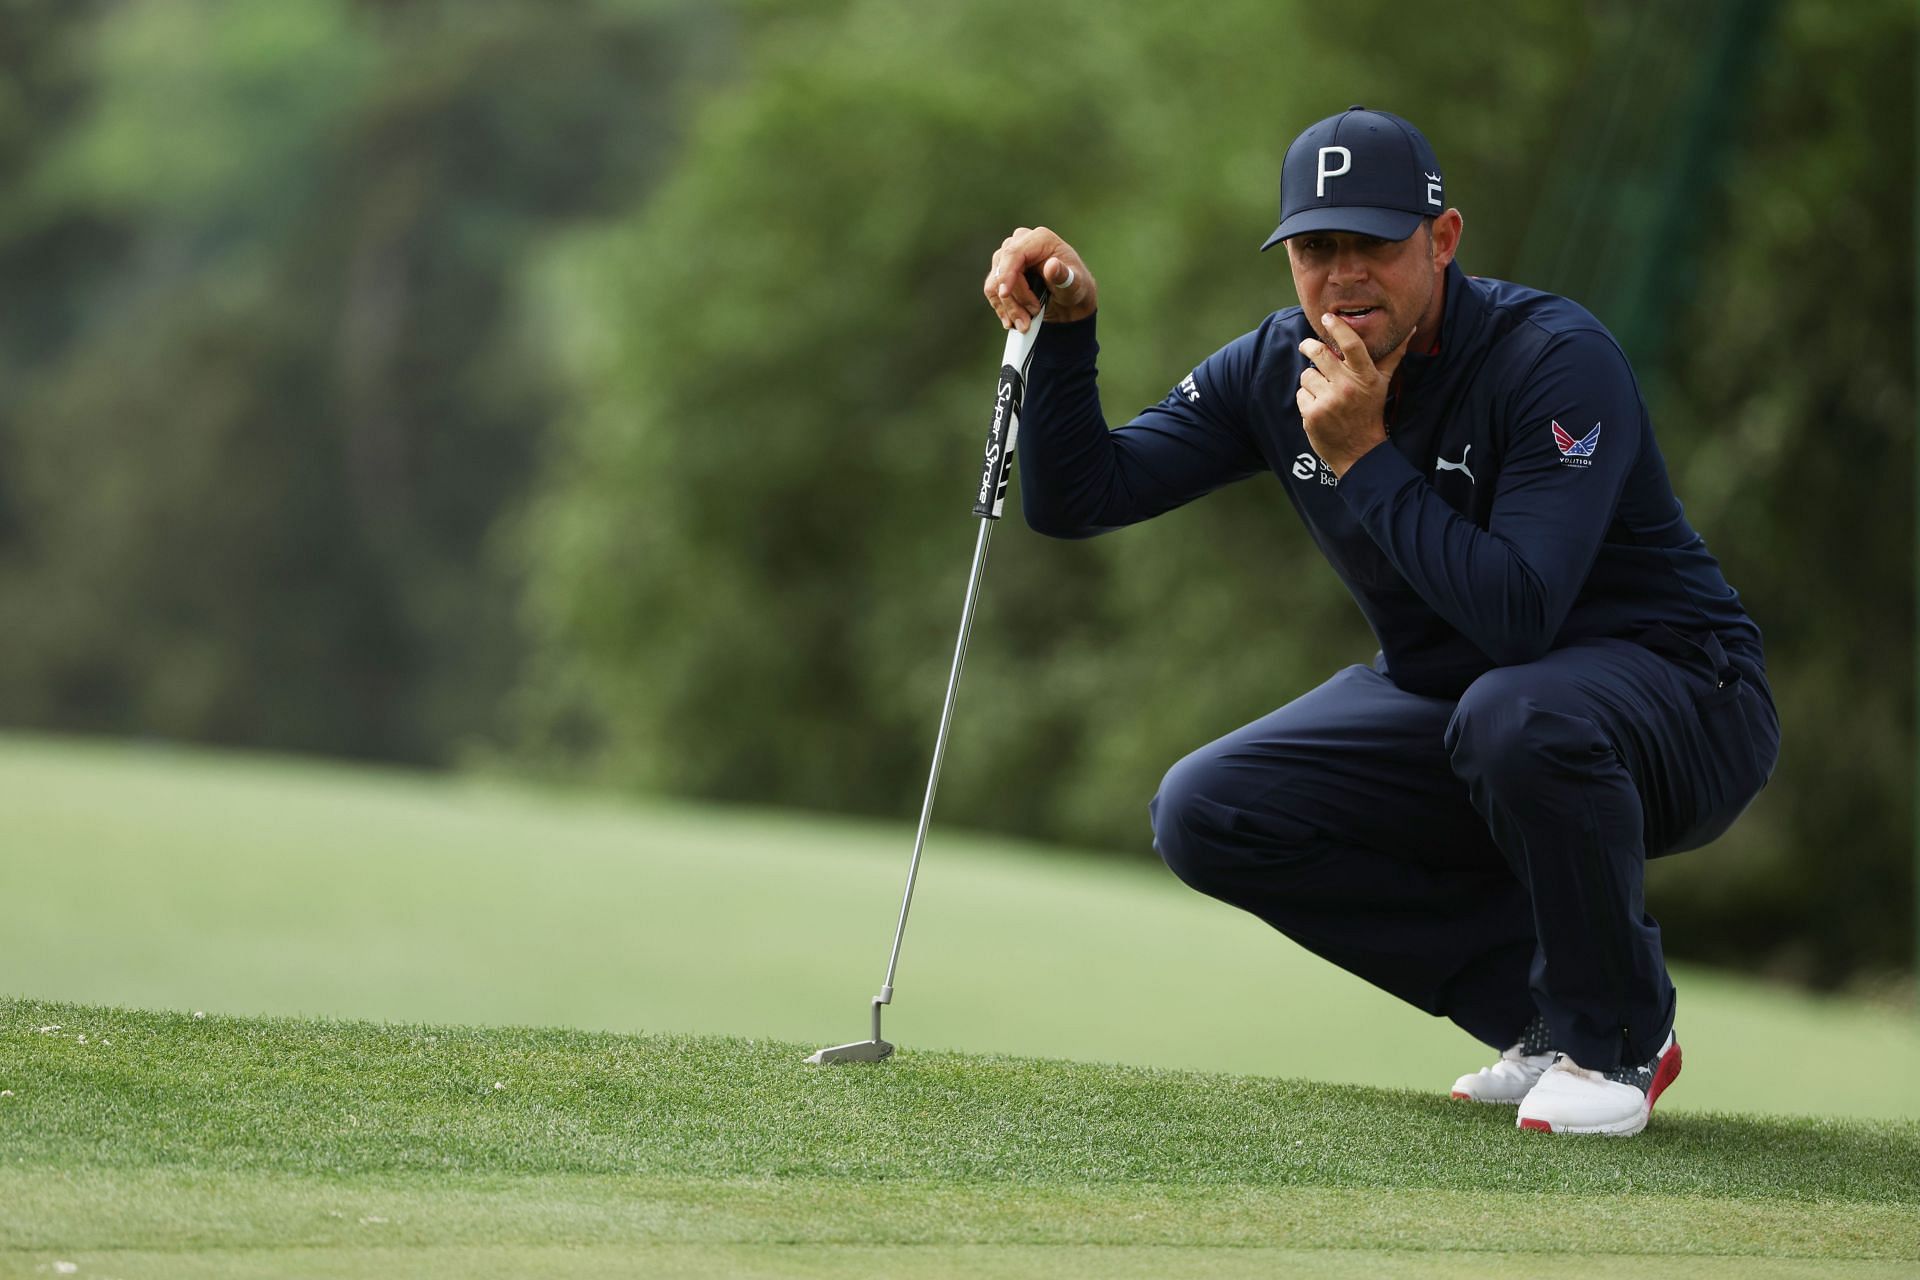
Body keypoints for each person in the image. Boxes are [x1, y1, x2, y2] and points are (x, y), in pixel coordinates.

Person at [980, 107, 1779, 1137]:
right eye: (1316, 247)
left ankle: (1612, 1034)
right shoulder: (1280, 368)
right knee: (1208, 808)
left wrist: (1363, 459)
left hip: (1687, 700)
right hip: (1470, 705)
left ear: (1442, 243)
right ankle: (1545, 1010)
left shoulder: (1553, 358)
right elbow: (1081, 495)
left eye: (1375, 244)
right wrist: (1071, 329)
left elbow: (1522, 616)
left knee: (1513, 710)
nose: (1344, 275)